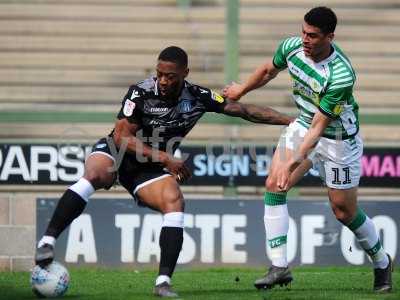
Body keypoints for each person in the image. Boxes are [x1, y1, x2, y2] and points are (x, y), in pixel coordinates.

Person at [35, 46, 293, 298]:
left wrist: (293, 122)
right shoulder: (140, 92)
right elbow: (123, 136)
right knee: (95, 174)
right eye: (160, 73)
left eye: (170, 76)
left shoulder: (197, 96)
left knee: (174, 200)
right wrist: (165, 158)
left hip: (147, 169)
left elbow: (245, 111)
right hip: (118, 152)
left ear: (185, 73)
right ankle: (47, 243)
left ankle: (163, 282)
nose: (163, 80)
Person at [223, 6, 393, 293]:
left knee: (343, 211)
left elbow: (320, 126)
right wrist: (241, 90)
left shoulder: (341, 75)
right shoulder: (292, 47)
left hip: (338, 139)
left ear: (330, 37)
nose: (305, 39)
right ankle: (279, 266)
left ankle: (381, 260)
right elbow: (267, 70)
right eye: (303, 32)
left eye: (313, 36)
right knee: (275, 184)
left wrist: (294, 161)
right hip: (303, 123)